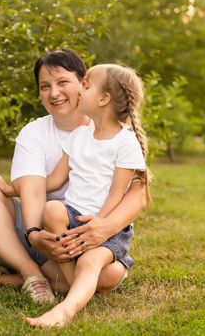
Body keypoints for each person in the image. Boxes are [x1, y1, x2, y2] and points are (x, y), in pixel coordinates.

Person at [0, 50, 146, 304]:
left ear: (83, 84)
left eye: (63, 82)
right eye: (45, 87)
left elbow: (137, 194)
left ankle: (5, 279)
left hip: (90, 236)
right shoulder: (34, 133)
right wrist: (34, 233)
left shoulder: (114, 134)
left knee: (109, 275)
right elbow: (36, 188)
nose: (54, 93)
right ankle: (32, 274)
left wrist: (103, 227)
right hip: (43, 234)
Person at [24, 64, 150, 328]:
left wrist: (99, 225)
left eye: (87, 85)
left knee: (93, 260)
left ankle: (65, 311)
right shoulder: (80, 135)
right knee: (53, 210)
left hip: (107, 227)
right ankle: (74, 288)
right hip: (73, 216)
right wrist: (12, 188)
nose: (80, 88)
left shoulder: (125, 143)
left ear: (104, 99)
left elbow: (118, 192)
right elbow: (55, 180)